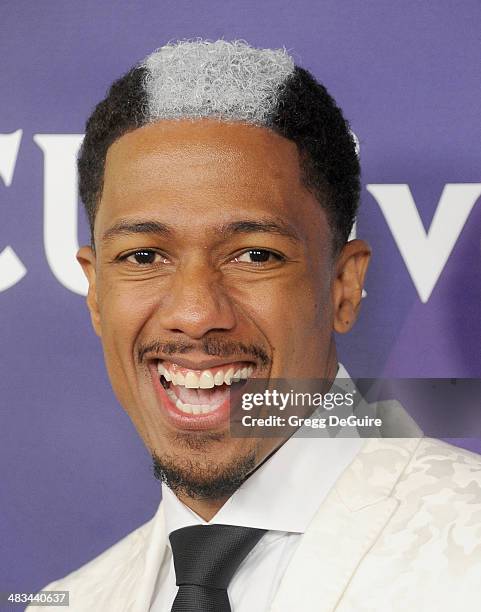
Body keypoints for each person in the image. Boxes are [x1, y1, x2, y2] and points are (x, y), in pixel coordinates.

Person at [29, 40, 481, 611]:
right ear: (95, 292)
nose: (194, 313)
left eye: (256, 255)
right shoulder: (72, 602)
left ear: (343, 286)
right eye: (143, 257)